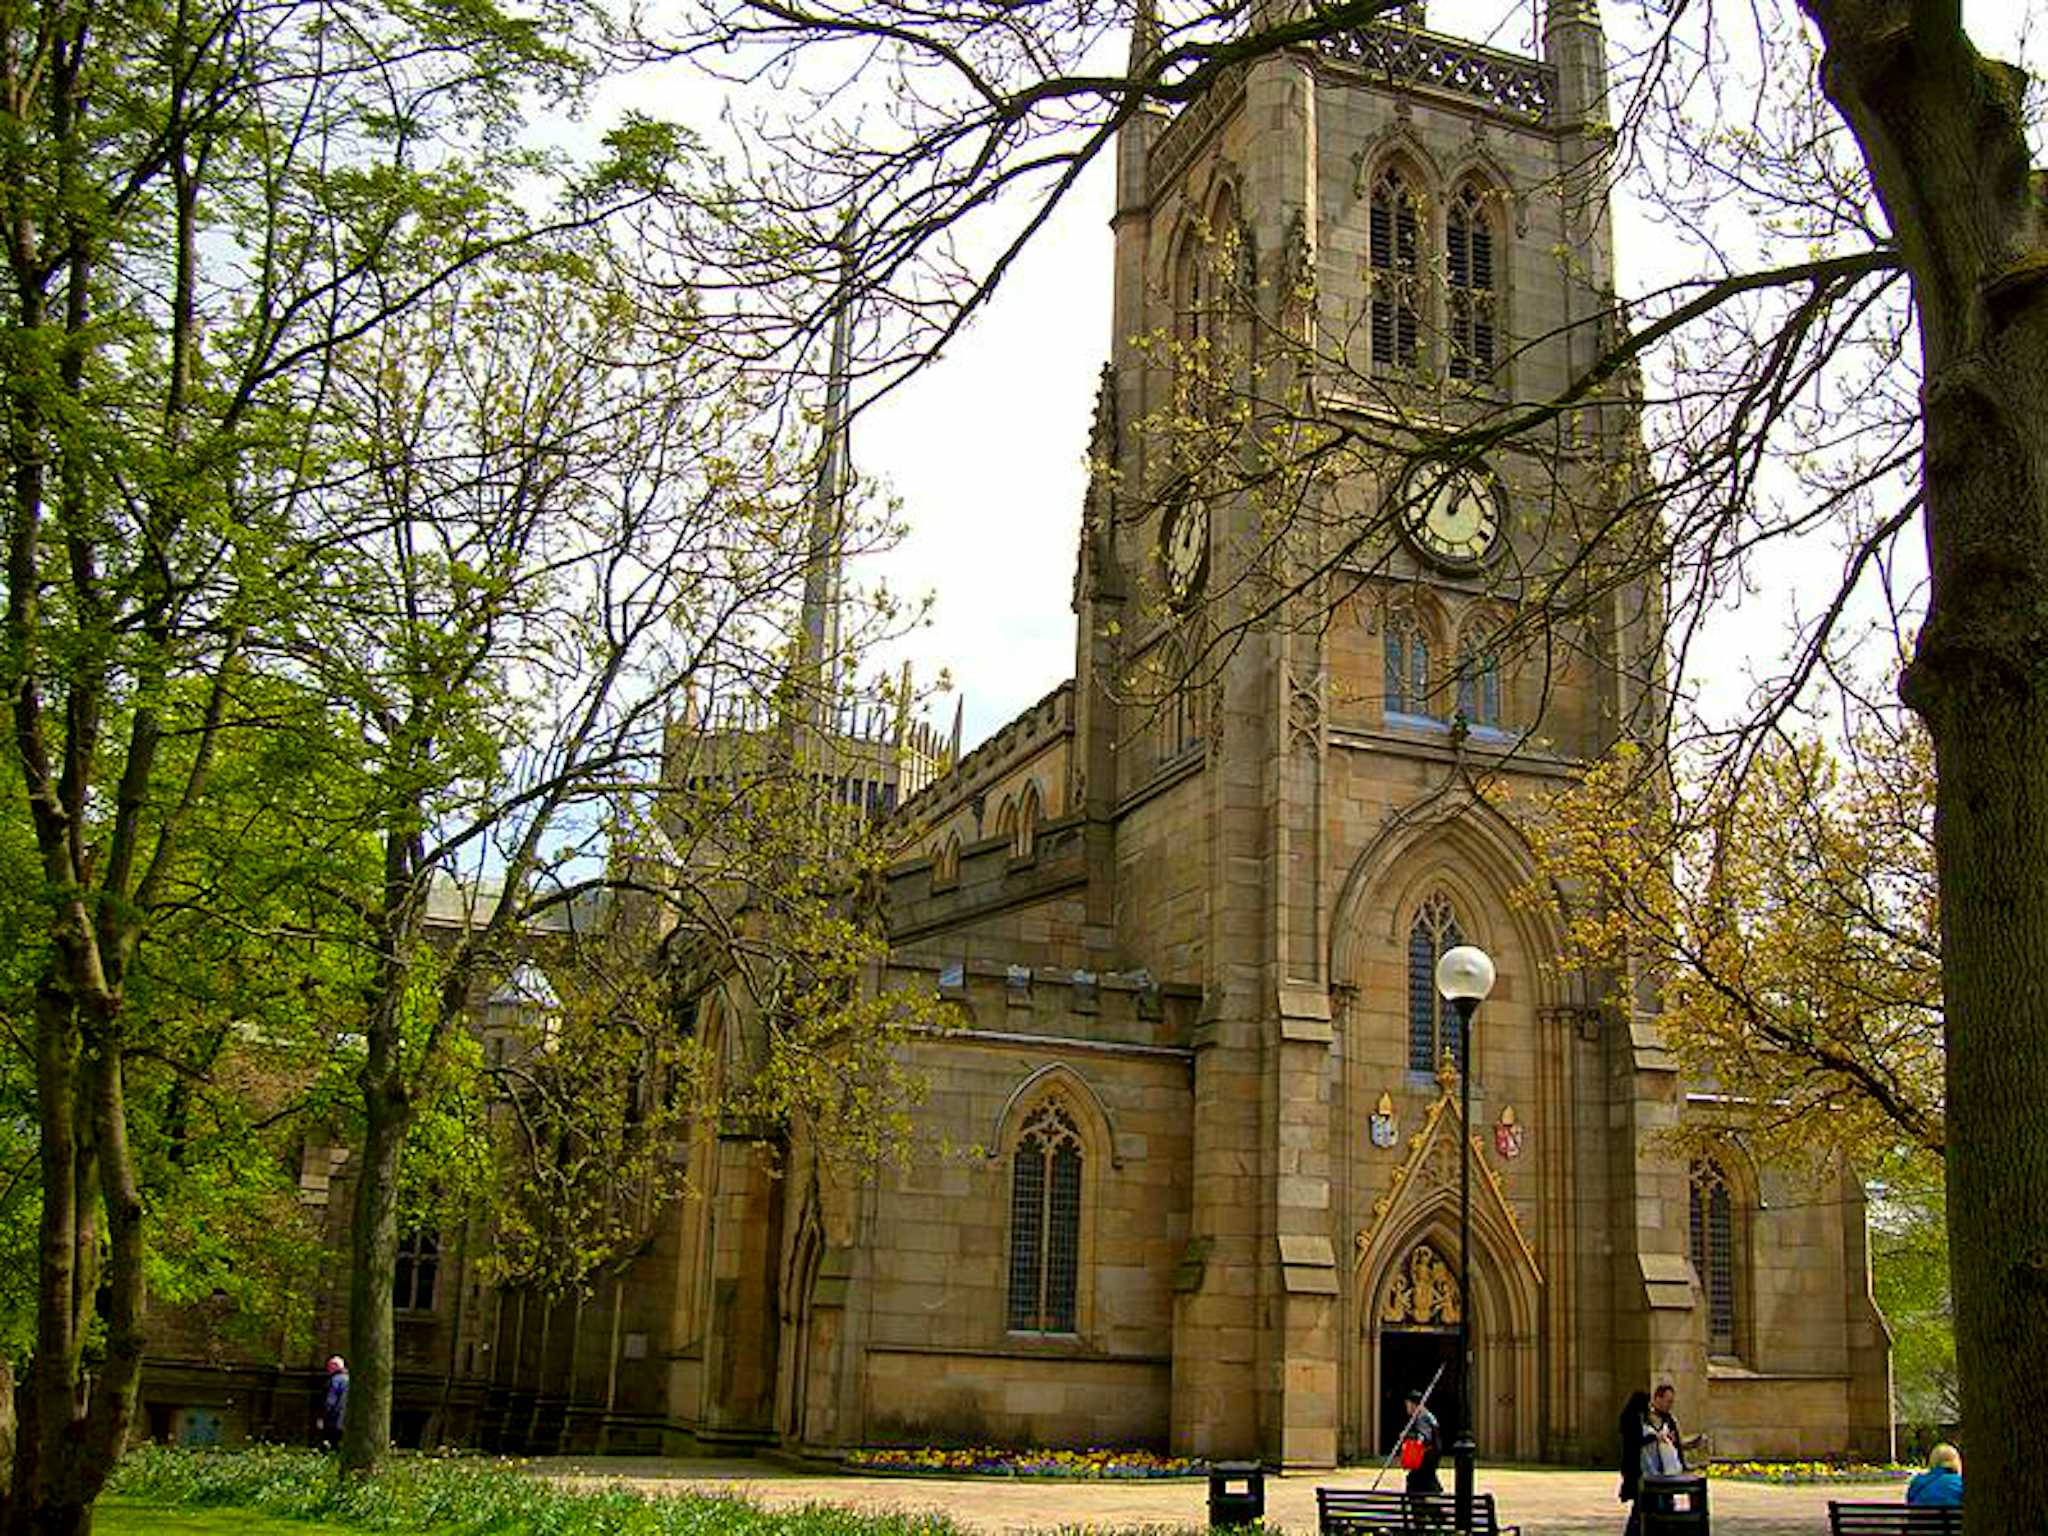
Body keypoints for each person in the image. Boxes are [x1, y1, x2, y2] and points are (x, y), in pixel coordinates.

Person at [1400, 1385, 1443, 1496]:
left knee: (1415, 1480)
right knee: (1425, 1479)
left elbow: (1423, 1437)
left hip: (1427, 1456)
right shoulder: (1424, 1415)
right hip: (1432, 1454)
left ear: (1413, 1404)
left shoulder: (1422, 1417)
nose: (1406, 1407)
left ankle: (1421, 1507)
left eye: (1407, 1404)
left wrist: (1408, 1436)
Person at [321, 1355, 349, 1446]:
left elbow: (330, 1402)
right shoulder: (349, 1379)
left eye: (329, 1366)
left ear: (335, 1366)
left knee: (331, 1444)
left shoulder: (335, 1380)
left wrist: (323, 1417)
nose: (328, 1369)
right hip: (347, 1421)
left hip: (334, 1420)